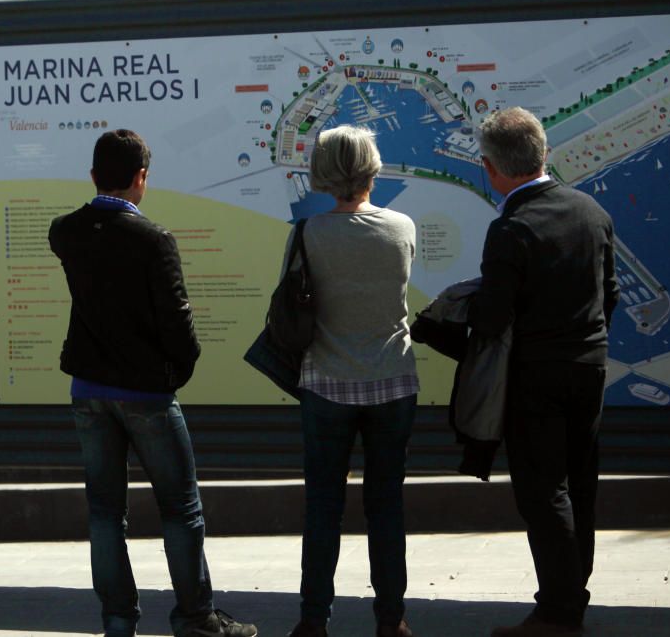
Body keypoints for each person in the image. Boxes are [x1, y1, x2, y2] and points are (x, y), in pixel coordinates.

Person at [48, 129, 257, 637]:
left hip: (89, 391)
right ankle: (196, 617)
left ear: (94, 175)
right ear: (141, 178)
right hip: (147, 394)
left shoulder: (64, 231)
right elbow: (178, 324)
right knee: (180, 509)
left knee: (104, 514)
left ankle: (118, 621)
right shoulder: (154, 239)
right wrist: (174, 374)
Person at [469, 107, 618, 637]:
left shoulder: (510, 228)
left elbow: (491, 319)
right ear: (544, 153)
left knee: (542, 490)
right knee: (581, 484)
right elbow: (611, 294)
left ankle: (558, 611)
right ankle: (571, 598)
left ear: (491, 168)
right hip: (590, 367)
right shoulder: (591, 211)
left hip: (535, 376)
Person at [286, 125, 418, 637]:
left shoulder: (307, 234)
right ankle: (392, 620)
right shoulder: (402, 227)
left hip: (326, 385)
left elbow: (289, 299)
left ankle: (313, 620)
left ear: (324, 173)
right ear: (371, 168)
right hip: (392, 381)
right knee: (386, 505)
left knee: (323, 505)